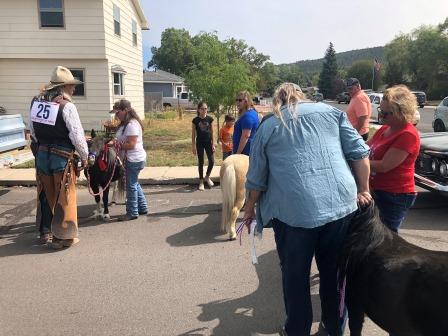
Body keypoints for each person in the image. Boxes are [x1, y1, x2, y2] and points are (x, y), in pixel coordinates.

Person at [243, 83, 371, 336]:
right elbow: (360, 153)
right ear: (301, 96)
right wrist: (364, 189)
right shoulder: (332, 113)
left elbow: (256, 178)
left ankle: (297, 330)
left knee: (296, 277)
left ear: (278, 100)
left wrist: (248, 209)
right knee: (333, 273)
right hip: (340, 206)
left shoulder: (268, 125)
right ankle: (332, 328)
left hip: (294, 212)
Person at [30, 66, 88, 249]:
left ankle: (44, 231)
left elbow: (33, 133)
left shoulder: (36, 103)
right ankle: (63, 237)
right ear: (63, 87)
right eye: (71, 85)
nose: (74, 89)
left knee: (46, 194)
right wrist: (85, 156)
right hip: (62, 157)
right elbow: (77, 135)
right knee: (65, 196)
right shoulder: (67, 106)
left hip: (42, 155)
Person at [367, 85, 420, 232]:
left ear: (401, 113)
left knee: (386, 239)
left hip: (394, 195)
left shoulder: (407, 134)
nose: (381, 116)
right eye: (380, 111)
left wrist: (357, 162)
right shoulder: (385, 129)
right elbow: (364, 148)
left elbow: (385, 165)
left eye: (385, 113)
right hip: (378, 190)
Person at [114, 99, 148, 220]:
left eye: (118, 112)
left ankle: (132, 212)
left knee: (130, 185)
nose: (116, 115)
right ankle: (142, 207)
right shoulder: (126, 123)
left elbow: (131, 144)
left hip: (133, 159)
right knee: (134, 183)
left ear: (125, 110)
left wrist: (116, 145)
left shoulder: (132, 124)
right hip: (134, 158)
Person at [192, 102, 215, 191]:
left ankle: (207, 176)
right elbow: (193, 134)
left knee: (212, 161)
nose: (204, 110)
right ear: (198, 110)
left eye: (205, 108)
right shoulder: (195, 120)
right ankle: (201, 181)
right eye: (202, 108)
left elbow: (212, 132)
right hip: (199, 143)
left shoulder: (210, 119)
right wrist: (193, 146)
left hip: (208, 143)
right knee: (201, 162)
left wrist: (213, 143)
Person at [233, 91, 260, 155]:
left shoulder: (248, 117)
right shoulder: (252, 113)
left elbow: (245, 136)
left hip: (245, 153)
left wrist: (238, 153)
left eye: (240, 100)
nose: (237, 102)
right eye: (236, 100)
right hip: (249, 151)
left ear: (246, 101)